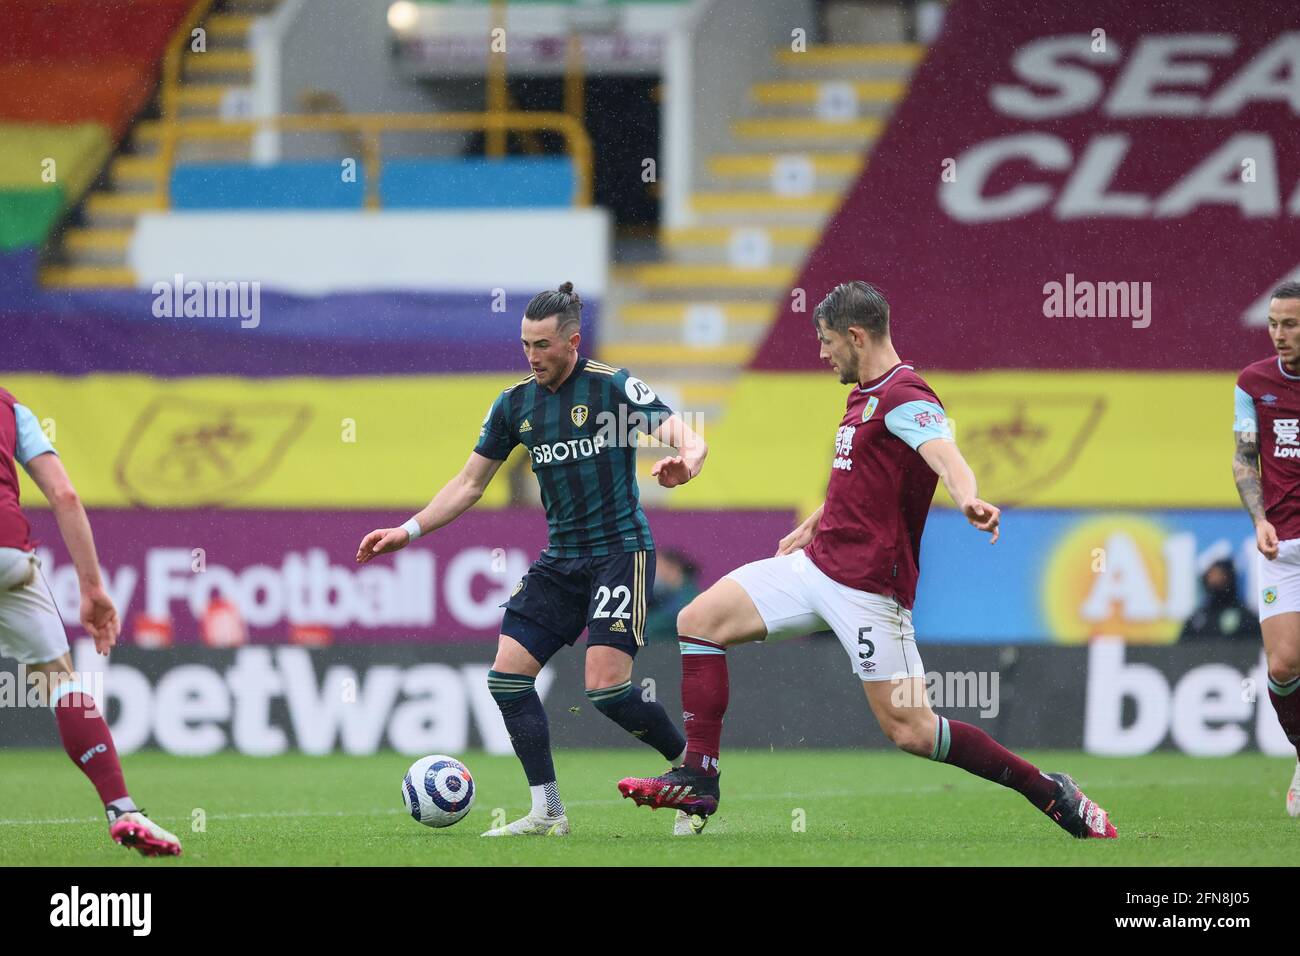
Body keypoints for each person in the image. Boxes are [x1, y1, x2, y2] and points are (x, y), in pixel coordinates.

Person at [616, 281, 1118, 839]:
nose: (822, 352)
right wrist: (814, 523)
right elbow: (864, 478)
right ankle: (699, 776)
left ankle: (1050, 792)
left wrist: (967, 496)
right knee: (698, 621)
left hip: (869, 590)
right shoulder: (863, 394)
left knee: (913, 731)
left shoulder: (909, 397)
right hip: (816, 566)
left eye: (828, 341)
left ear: (857, 335)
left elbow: (946, 455)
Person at [356, 282, 708, 836]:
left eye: (543, 345)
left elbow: (686, 435)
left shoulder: (612, 387)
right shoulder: (514, 403)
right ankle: (548, 811)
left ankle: (692, 778)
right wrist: (410, 529)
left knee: (607, 690)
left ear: (572, 341)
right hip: (561, 559)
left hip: (619, 552)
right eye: (525, 344)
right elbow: (470, 483)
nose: (532, 356)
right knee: (508, 679)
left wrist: (686, 460)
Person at [0, 388, 181, 856]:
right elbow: (64, 493)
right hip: (8, 554)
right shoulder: (9, 407)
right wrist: (93, 587)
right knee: (60, 683)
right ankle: (122, 809)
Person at [1232, 280, 1300, 816]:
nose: (1279, 335)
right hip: (1283, 546)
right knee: (1282, 667)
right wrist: (1258, 519)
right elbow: (1243, 459)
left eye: (1291, 324)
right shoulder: (1253, 383)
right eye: (1274, 324)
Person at [1179, 559, 1260, 641]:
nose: (1214, 581)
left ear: (1230, 579)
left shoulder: (1245, 618)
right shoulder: (1197, 619)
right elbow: (1182, 649)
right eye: (1211, 576)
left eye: (1220, 576)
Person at [643, 550, 700, 644]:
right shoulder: (667, 596)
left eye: (655, 568)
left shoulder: (688, 599)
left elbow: (662, 624)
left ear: (672, 569)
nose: (650, 574)